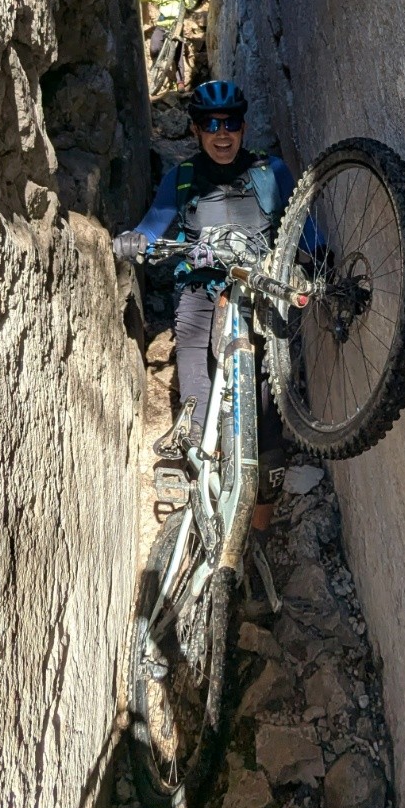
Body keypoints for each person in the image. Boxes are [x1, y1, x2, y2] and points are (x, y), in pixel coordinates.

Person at [113, 80, 294, 532]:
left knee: (268, 428)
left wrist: (319, 261)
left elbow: (301, 230)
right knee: (197, 407)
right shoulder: (183, 179)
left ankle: (252, 544)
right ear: (195, 129)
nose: (222, 133)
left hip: (260, 298)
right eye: (211, 124)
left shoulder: (271, 173)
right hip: (199, 299)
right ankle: (205, 518)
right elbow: (154, 225)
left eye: (230, 123)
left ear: (243, 126)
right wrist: (137, 240)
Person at [139, 0, 189, 86]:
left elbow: (189, 4)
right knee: (154, 47)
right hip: (162, 25)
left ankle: (180, 81)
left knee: (177, 53)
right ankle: (158, 63)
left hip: (177, 26)